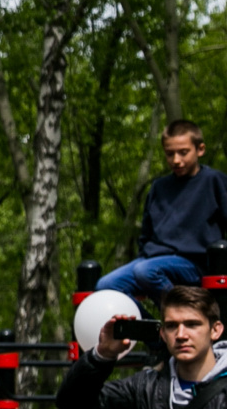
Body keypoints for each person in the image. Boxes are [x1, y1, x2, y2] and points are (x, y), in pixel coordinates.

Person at [58, 283, 227, 409]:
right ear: (162, 333)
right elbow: (73, 403)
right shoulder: (145, 390)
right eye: (171, 326)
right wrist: (103, 354)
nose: (181, 334)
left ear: (216, 330)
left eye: (192, 324)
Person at [97, 120, 227, 300]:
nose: (176, 160)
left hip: (194, 262)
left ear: (200, 150)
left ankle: (186, 312)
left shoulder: (214, 181)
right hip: (153, 259)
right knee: (106, 285)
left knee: (146, 271)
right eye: (169, 154)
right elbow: (146, 232)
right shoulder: (159, 187)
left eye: (183, 153)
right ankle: (149, 326)